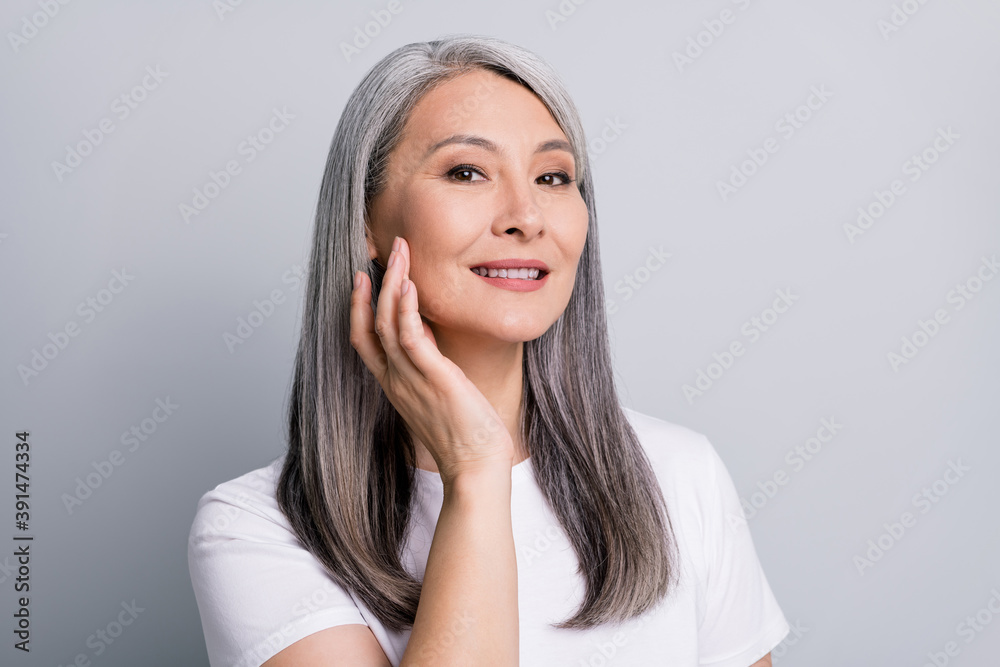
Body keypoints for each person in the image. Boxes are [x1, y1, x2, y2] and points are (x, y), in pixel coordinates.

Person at [187, 34, 791, 667]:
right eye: (466, 172)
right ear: (365, 219)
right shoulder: (255, 529)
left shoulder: (680, 474)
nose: (526, 216)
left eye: (553, 177)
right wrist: (475, 474)